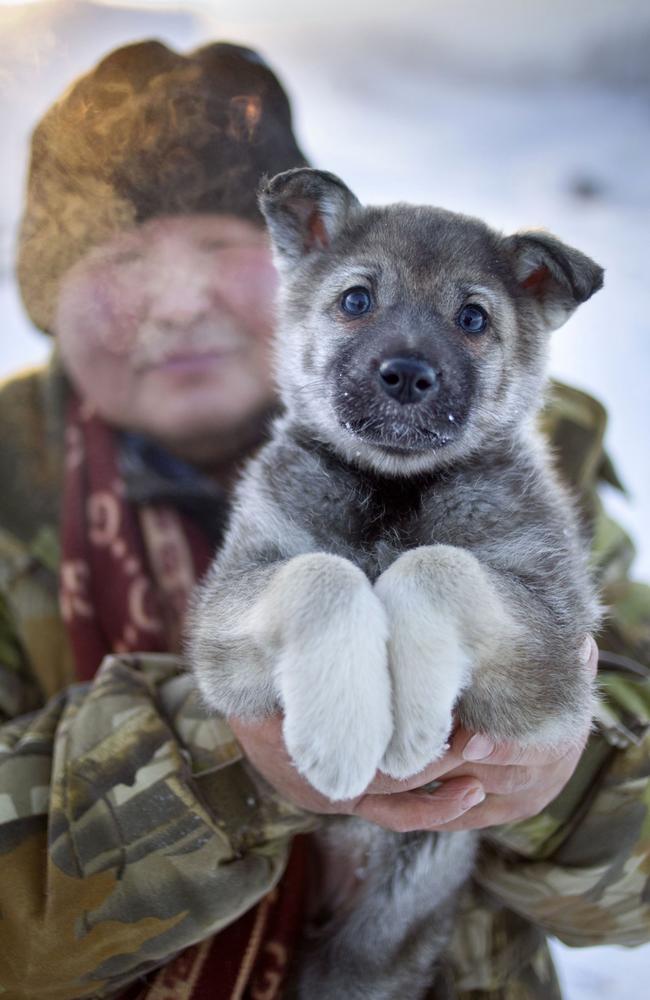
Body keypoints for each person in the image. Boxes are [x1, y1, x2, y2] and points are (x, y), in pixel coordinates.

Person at [0, 39, 648, 1000]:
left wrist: (554, 767)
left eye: (219, 249)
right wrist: (237, 746)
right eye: (124, 255)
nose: (179, 304)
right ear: (51, 293)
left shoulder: (538, 458)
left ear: (288, 255)